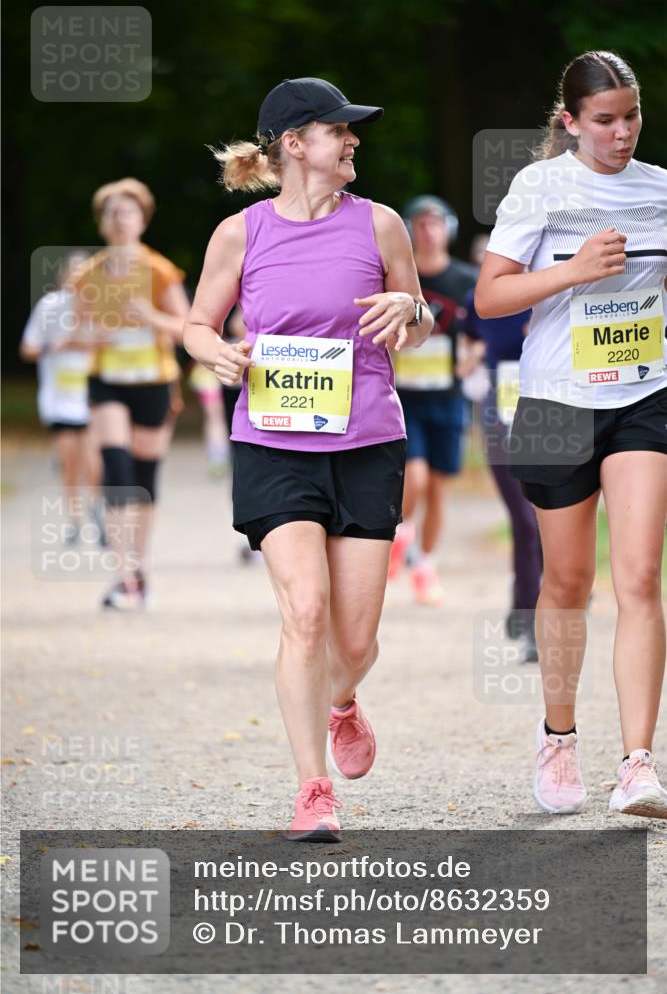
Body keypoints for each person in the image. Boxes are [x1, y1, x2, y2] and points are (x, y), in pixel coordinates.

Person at [183, 77, 433, 841]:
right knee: (306, 613)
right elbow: (197, 322)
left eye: (354, 130)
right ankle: (312, 789)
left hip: (365, 442)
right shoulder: (242, 233)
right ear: (294, 144)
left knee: (354, 642)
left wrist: (411, 312)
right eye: (338, 130)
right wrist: (217, 353)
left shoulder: (381, 225)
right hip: (273, 442)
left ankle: (342, 700)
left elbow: (418, 320)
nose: (354, 140)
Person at [475, 51, 667, 818]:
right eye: (603, 120)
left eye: (630, 116)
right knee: (565, 585)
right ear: (569, 122)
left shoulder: (659, 190)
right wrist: (573, 270)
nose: (620, 133)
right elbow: (491, 298)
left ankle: (638, 765)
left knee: (640, 576)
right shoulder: (540, 187)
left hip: (643, 394)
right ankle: (557, 738)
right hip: (555, 403)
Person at [69, 178, 190, 610]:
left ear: (142, 220)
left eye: (128, 213)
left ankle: (139, 565)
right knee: (117, 470)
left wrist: (153, 317)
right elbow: (71, 335)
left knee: (144, 477)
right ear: (102, 223)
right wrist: (91, 335)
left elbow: (189, 328)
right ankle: (123, 575)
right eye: (112, 213)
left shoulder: (158, 270)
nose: (120, 220)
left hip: (154, 383)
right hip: (107, 382)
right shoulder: (88, 275)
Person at [389, 196, 478, 605]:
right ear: (409, 230)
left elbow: (483, 332)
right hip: (406, 397)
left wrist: (470, 359)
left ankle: (425, 565)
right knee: (416, 478)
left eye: (436, 223)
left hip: (448, 396)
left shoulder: (465, 280)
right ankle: (400, 535)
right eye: (421, 224)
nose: (428, 231)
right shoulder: (399, 278)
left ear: (449, 229)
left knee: (440, 488)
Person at [461, 244, 542, 664]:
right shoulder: (483, 300)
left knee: (551, 519)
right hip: (501, 415)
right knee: (526, 520)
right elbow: (471, 338)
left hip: (554, 414)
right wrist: (469, 358)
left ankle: (531, 603)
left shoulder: (553, 288)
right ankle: (530, 620)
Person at [20, 250, 103, 543]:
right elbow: (27, 348)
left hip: (93, 394)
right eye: (74, 271)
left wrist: (88, 344)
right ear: (63, 275)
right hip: (60, 397)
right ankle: (75, 521)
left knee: (94, 460)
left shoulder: (99, 306)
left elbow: (111, 344)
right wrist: (54, 347)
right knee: (69, 462)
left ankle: (98, 513)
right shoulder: (50, 306)